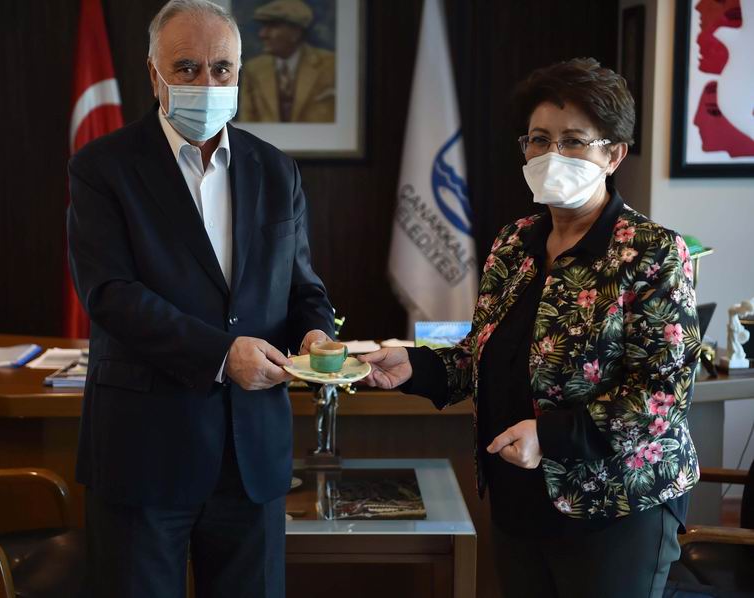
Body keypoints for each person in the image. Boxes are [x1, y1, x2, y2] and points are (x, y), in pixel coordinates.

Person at [359, 58, 701, 598]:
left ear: (614, 155)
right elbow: (480, 354)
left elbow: (662, 396)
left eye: (573, 141)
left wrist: (551, 436)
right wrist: (413, 366)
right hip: (518, 496)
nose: (551, 155)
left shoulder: (652, 251)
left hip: (613, 506)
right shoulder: (514, 242)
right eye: (539, 140)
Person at [66, 1, 335, 596]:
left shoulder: (276, 170)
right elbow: (111, 295)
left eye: (222, 68)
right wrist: (221, 354)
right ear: (153, 74)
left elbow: (303, 288)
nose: (207, 84)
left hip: (251, 455)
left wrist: (316, 333)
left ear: (239, 71)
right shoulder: (102, 168)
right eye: (186, 68)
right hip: (144, 453)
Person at [238, 0, 335, 123]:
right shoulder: (253, 69)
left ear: (296, 33)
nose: (263, 34)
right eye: (263, 26)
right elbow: (247, 119)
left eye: (272, 26)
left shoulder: (330, 65)